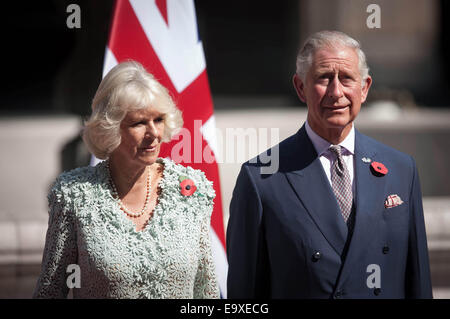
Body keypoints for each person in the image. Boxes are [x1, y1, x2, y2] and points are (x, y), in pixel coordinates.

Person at [226, 30, 432, 298]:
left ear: (365, 88)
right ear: (300, 87)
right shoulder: (262, 177)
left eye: (346, 78)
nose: (336, 92)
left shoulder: (401, 170)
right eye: (324, 78)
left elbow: (417, 280)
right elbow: (246, 293)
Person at [33, 61, 219, 299]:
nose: (153, 133)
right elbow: (50, 291)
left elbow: (207, 292)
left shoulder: (192, 191)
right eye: (139, 123)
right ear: (109, 129)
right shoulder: (73, 195)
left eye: (159, 120)